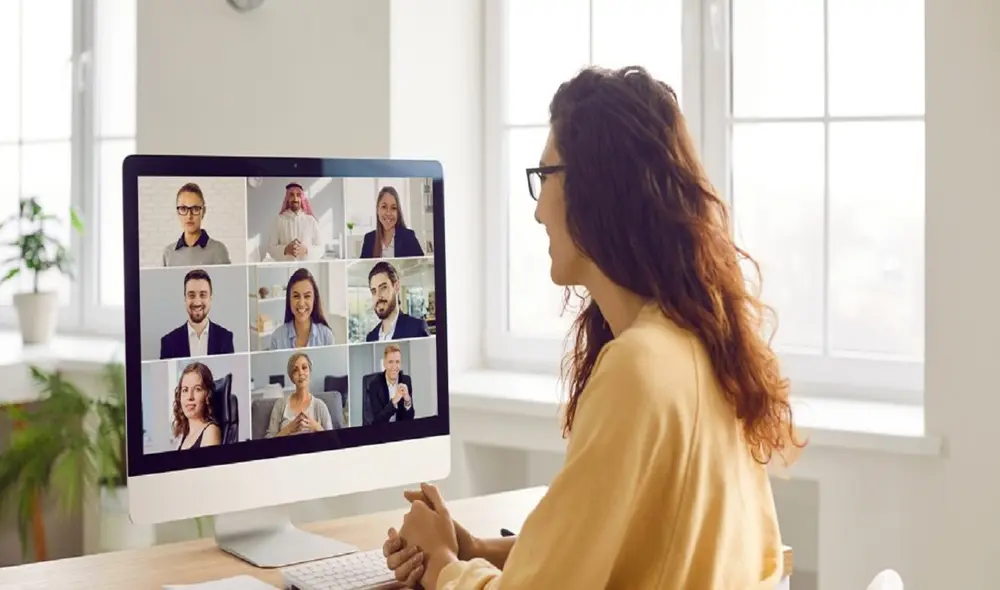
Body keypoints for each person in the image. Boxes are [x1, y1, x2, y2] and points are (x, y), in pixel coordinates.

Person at [381, 66, 803, 589]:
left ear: (596, 187)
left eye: (545, 178)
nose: (537, 212)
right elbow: (623, 541)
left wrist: (443, 564)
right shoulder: (702, 343)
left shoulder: (638, 369)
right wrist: (476, 549)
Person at [160, 269, 236, 359]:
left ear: (210, 298)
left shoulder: (225, 338)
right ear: (185, 299)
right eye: (191, 295)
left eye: (203, 295)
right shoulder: (169, 342)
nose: (197, 302)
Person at [264, 352, 333, 437]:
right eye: (295, 370)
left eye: (304, 368)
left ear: (310, 372)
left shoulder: (320, 406)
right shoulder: (280, 405)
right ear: (291, 377)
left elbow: (333, 441)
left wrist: (316, 427)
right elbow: (267, 443)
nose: (301, 373)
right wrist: (288, 429)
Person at [162, 182, 232, 267]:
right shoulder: (168, 253)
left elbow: (227, 280)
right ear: (178, 212)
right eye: (183, 209)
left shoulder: (218, 250)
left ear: (203, 211)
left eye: (195, 209)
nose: (189, 216)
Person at [266, 268, 335, 350]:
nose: (301, 303)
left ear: (314, 299)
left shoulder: (326, 336)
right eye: (296, 296)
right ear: (289, 299)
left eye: (307, 296)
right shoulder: (277, 338)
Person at [364, 261, 430, 342]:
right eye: (374, 291)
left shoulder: (416, 329)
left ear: (396, 287)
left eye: (383, 288)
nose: (378, 296)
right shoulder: (371, 337)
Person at [360, 186, 425, 258]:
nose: (388, 213)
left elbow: (421, 266)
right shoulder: (369, 239)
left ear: (398, 212)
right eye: (384, 207)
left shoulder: (408, 237)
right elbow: (363, 268)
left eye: (393, 208)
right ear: (377, 210)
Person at [266, 182, 325, 261]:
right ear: (287, 199)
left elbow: (320, 248)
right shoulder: (279, 220)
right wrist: (285, 249)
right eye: (291, 195)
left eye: (298, 195)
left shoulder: (311, 221)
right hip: (285, 269)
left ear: (302, 198)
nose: (295, 199)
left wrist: (306, 250)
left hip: (306, 268)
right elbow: (271, 247)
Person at [172, 362, 221, 450]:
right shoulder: (183, 435)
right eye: (185, 390)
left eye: (197, 389)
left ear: (207, 395)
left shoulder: (210, 431)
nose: (190, 397)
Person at [362, 344, 414, 425]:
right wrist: (393, 402)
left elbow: (409, 418)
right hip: (382, 432)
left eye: (397, 362)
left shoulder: (406, 380)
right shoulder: (374, 384)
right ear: (384, 364)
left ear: (400, 364)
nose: (394, 366)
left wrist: (407, 400)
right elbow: (378, 421)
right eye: (390, 362)